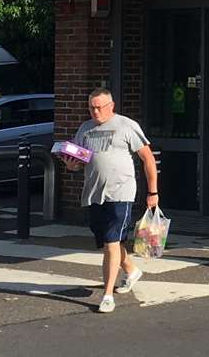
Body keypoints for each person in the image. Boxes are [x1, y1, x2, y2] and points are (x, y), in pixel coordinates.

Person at [62, 89, 159, 313]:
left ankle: (107, 295)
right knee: (106, 240)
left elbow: (148, 158)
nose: (95, 111)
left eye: (100, 107)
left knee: (112, 242)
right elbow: (79, 161)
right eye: (91, 107)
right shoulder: (85, 129)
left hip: (121, 192)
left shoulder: (126, 125)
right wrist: (71, 165)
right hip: (94, 193)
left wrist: (152, 191)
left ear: (111, 106)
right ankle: (131, 270)